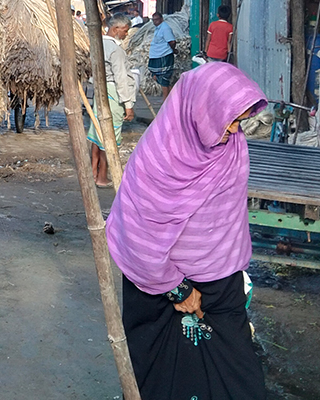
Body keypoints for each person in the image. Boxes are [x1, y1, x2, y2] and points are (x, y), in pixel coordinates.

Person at [106, 62, 268, 400]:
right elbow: (138, 236)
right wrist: (179, 290)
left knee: (239, 377)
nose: (234, 129)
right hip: (157, 291)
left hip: (221, 285)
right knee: (160, 382)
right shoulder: (158, 158)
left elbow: (230, 219)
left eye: (238, 121)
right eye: (229, 120)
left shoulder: (234, 148)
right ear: (199, 111)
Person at [88, 13, 137, 187]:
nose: (125, 34)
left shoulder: (97, 43)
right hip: (112, 92)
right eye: (125, 31)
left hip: (100, 90)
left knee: (98, 130)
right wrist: (128, 105)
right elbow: (121, 79)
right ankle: (102, 176)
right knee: (110, 136)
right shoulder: (115, 50)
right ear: (115, 29)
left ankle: (93, 171)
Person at [148, 12, 178, 99]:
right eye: (153, 20)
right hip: (156, 56)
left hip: (164, 55)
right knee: (156, 76)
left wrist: (173, 50)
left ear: (161, 19)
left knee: (164, 78)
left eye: (157, 19)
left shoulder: (165, 28)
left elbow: (172, 41)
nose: (155, 22)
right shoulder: (157, 28)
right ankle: (173, 96)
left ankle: (166, 101)